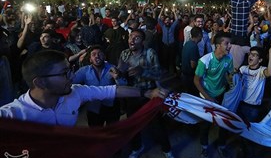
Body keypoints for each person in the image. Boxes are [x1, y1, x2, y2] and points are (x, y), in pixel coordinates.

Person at [0, 50, 167, 126]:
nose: (72, 78)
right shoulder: (11, 116)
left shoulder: (76, 92)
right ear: (40, 82)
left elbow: (112, 91)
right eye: (64, 74)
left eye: (70, 71)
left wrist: (147, 92)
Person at [116, 29, 176, 158]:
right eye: (131, 36)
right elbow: (120, 71)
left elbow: (159, 74)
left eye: (136, 38)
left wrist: (143, 71)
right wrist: (117, 73)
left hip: (149, 95)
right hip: (132, 94)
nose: (132, 39)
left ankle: (167, 150)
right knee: (133, 125)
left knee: (157, 126)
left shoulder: (150, 53)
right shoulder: (124, 53)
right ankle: (137, 148)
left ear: (142, 41)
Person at [194, 32, 234, 158]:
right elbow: (196, 81)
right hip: (206, 96)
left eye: (230, 43)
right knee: (205, 124)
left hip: (222, 94)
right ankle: (204, 148)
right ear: (218, 45)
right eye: (226, 43)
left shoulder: (229, 58)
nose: (230, 46)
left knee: (223, 121)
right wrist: (208, 98)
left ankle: (221, 145)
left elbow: (228, 74)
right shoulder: (204, 60)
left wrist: (231, 81)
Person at [237, 44, 271, 158]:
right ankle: (243, 151)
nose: (251, 56)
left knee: (249, 135)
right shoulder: (243, 69)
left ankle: (250, 157)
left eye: (255, 55)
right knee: (240, 130)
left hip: (253, 109)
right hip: (241, 105)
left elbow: (270, 72)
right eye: (250, 54)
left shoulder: (261, 71)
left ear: (260, 60)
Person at [72, 45, 123, 126]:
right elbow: (71, 82)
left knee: (113, 132)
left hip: (111, 106)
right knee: (95, 133)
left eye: (100, 54)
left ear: (105, 56)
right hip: (93, 107)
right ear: (90, 59)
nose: (97, 56)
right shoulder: (84, 71)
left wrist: (117, 78)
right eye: (94, 54)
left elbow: (123, 86)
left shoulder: (112, 67)